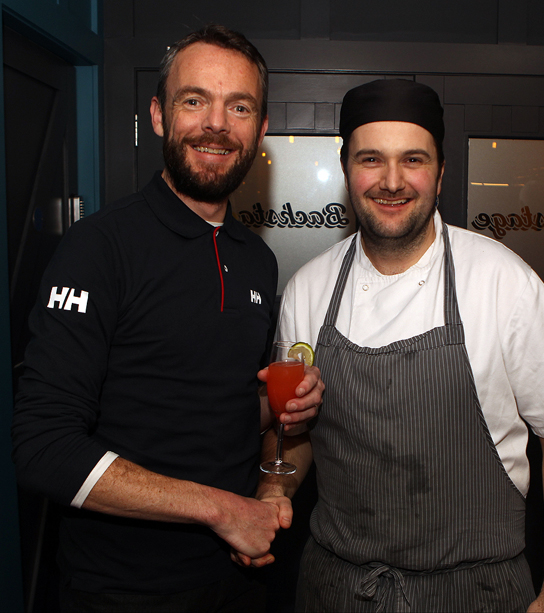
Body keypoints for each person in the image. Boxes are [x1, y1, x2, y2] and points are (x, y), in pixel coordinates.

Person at [250, 79, 544, 612]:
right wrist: (274, 491)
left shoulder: (503, 280)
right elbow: (298, 426)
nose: (392, 181)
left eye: (412, 159)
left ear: (440, 171)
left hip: (477, 591)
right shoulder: (309, 288)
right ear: (347, 169)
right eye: (372, 159)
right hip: (337, 590)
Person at [11, 25, 322, 613]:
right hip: (121, 591)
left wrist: (287, 405)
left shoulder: (256, 258)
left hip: (241, 577)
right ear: (158, 115)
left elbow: (220, 406)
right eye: (194, 100)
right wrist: (223, 510)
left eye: (239, 107)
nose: (216, 124)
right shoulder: (99, 247)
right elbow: (44, 447)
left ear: (259, 131)